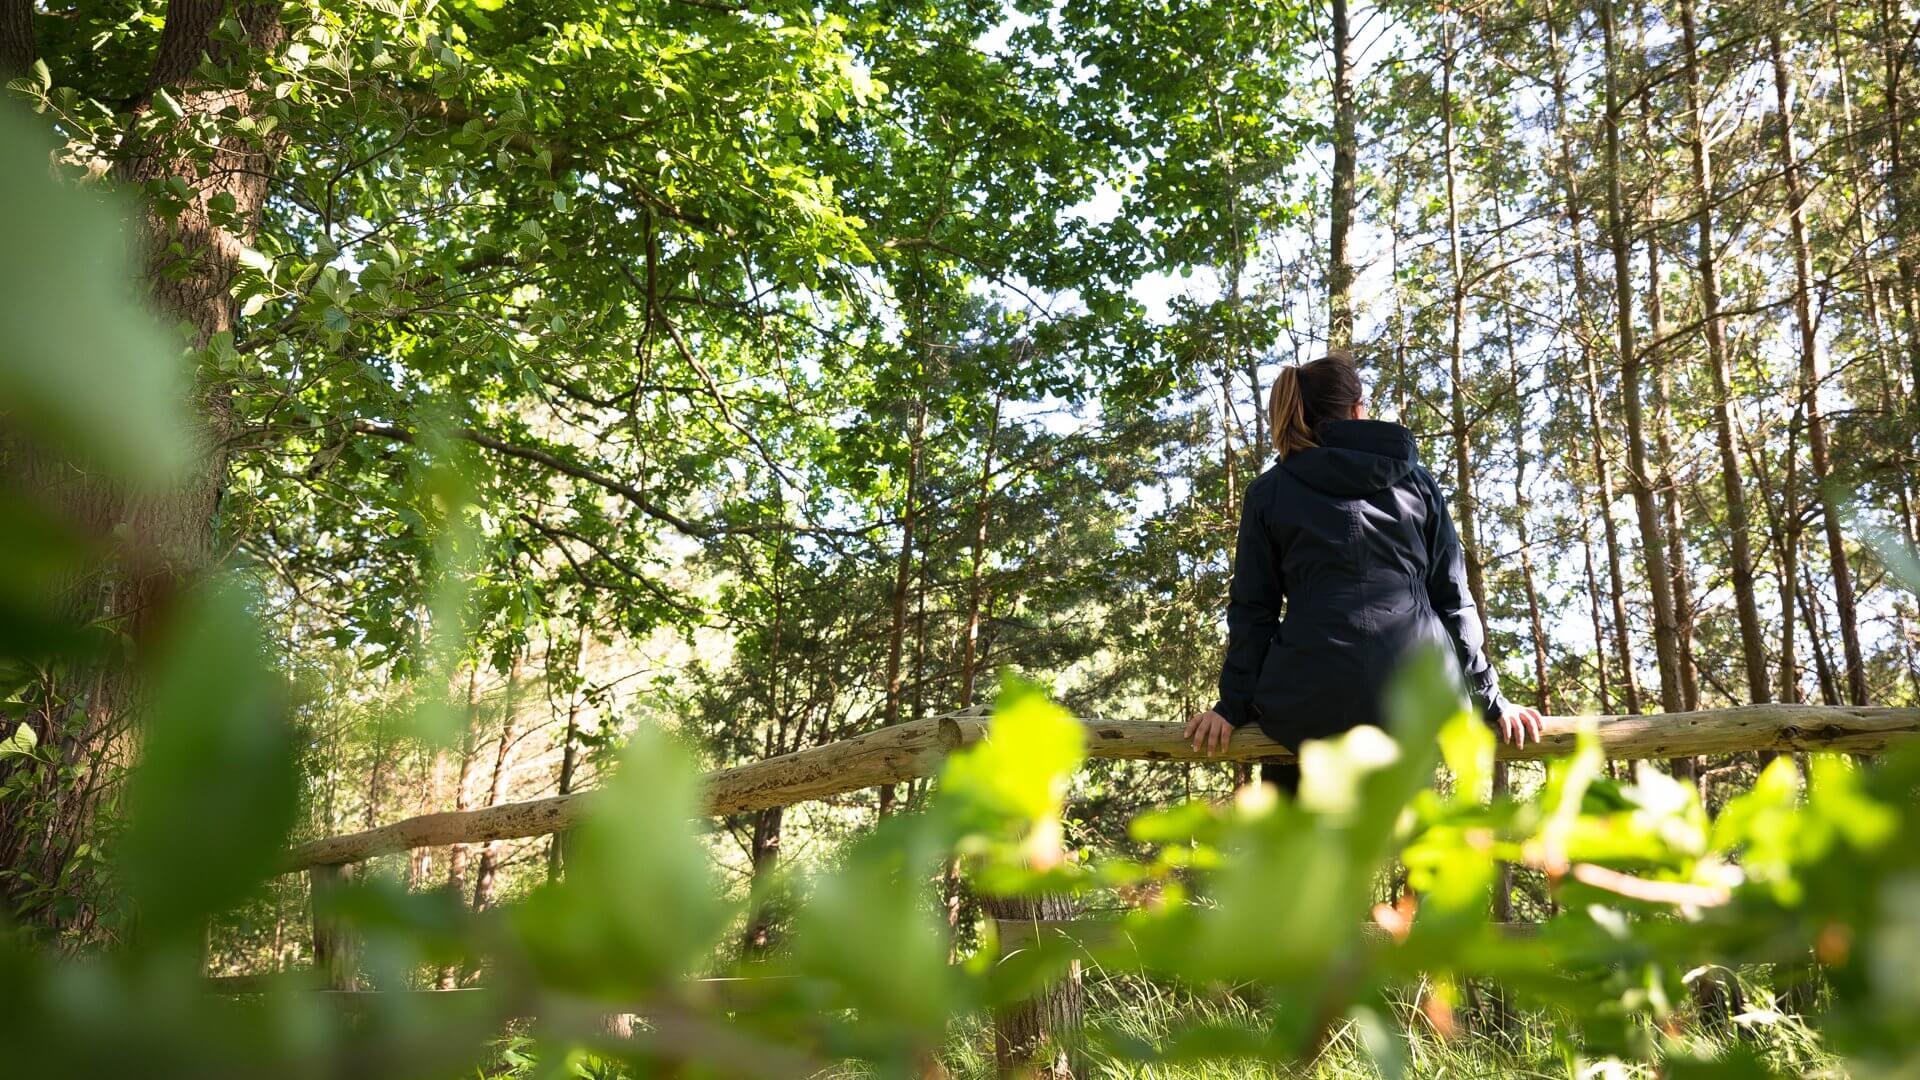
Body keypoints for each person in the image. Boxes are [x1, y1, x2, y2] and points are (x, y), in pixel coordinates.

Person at [1183, 351, 1543, 794]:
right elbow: (1453, 600)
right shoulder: (1419, 484)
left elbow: (1253, 611)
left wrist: (1231, 707)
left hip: (1309, 709)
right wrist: (1490, 699)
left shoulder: (1269, 493)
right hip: (1414, 702)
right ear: (1357, 410)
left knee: (1292, 849)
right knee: (1422, 843)